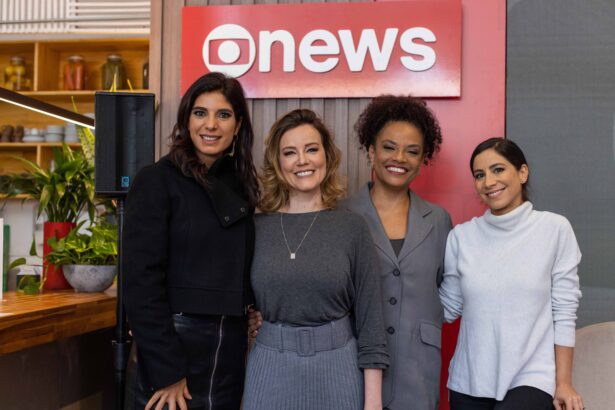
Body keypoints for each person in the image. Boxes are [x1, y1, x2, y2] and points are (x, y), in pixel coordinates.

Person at [123, 72, 259, 410]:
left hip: (228, 351)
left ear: (237, 125)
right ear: (186, 120)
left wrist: (252, 305)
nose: (210, 125)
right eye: (200, 113)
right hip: (174, 348)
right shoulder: (156, 180)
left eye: (223, 114)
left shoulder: (241, 186)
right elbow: (140, 283)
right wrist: (167, 370)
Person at [243, 109, 389, 410]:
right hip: (269, 368)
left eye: (311, 149)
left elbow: (371, 321)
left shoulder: (352, 228)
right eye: (290, 152)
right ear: (277, 162)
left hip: (337, 368)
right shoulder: (255, 228)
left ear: (327, 156)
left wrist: (372, 403)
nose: (302, 161)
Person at [439, 137, 584, 410]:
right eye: (479, 175)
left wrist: (563, 382)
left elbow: (564, 310)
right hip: (468, 382)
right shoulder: (462, 237)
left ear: (522, 172)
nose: (488, 182)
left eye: (498, 169)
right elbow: (449, 306)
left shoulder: (554, 229)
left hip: (531, 378)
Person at [345, 95, 452, 410]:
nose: (400, 158)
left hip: (418, 371)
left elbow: (452, 292)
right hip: (354, 368)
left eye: (413, 151)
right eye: (389, 147)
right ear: (371, 150)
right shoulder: (342, 215)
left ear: (423, 159)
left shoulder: (440, 220)